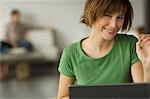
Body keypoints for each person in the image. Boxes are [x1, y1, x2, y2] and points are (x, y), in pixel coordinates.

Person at [57, 0, 150, 99]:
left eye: (120, 17)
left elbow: (142, 94)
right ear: (92, 13)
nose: (114, 25)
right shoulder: (70, 53)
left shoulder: (130, 44)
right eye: (107, 15)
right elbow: (63, 96)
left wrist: (147, 65)